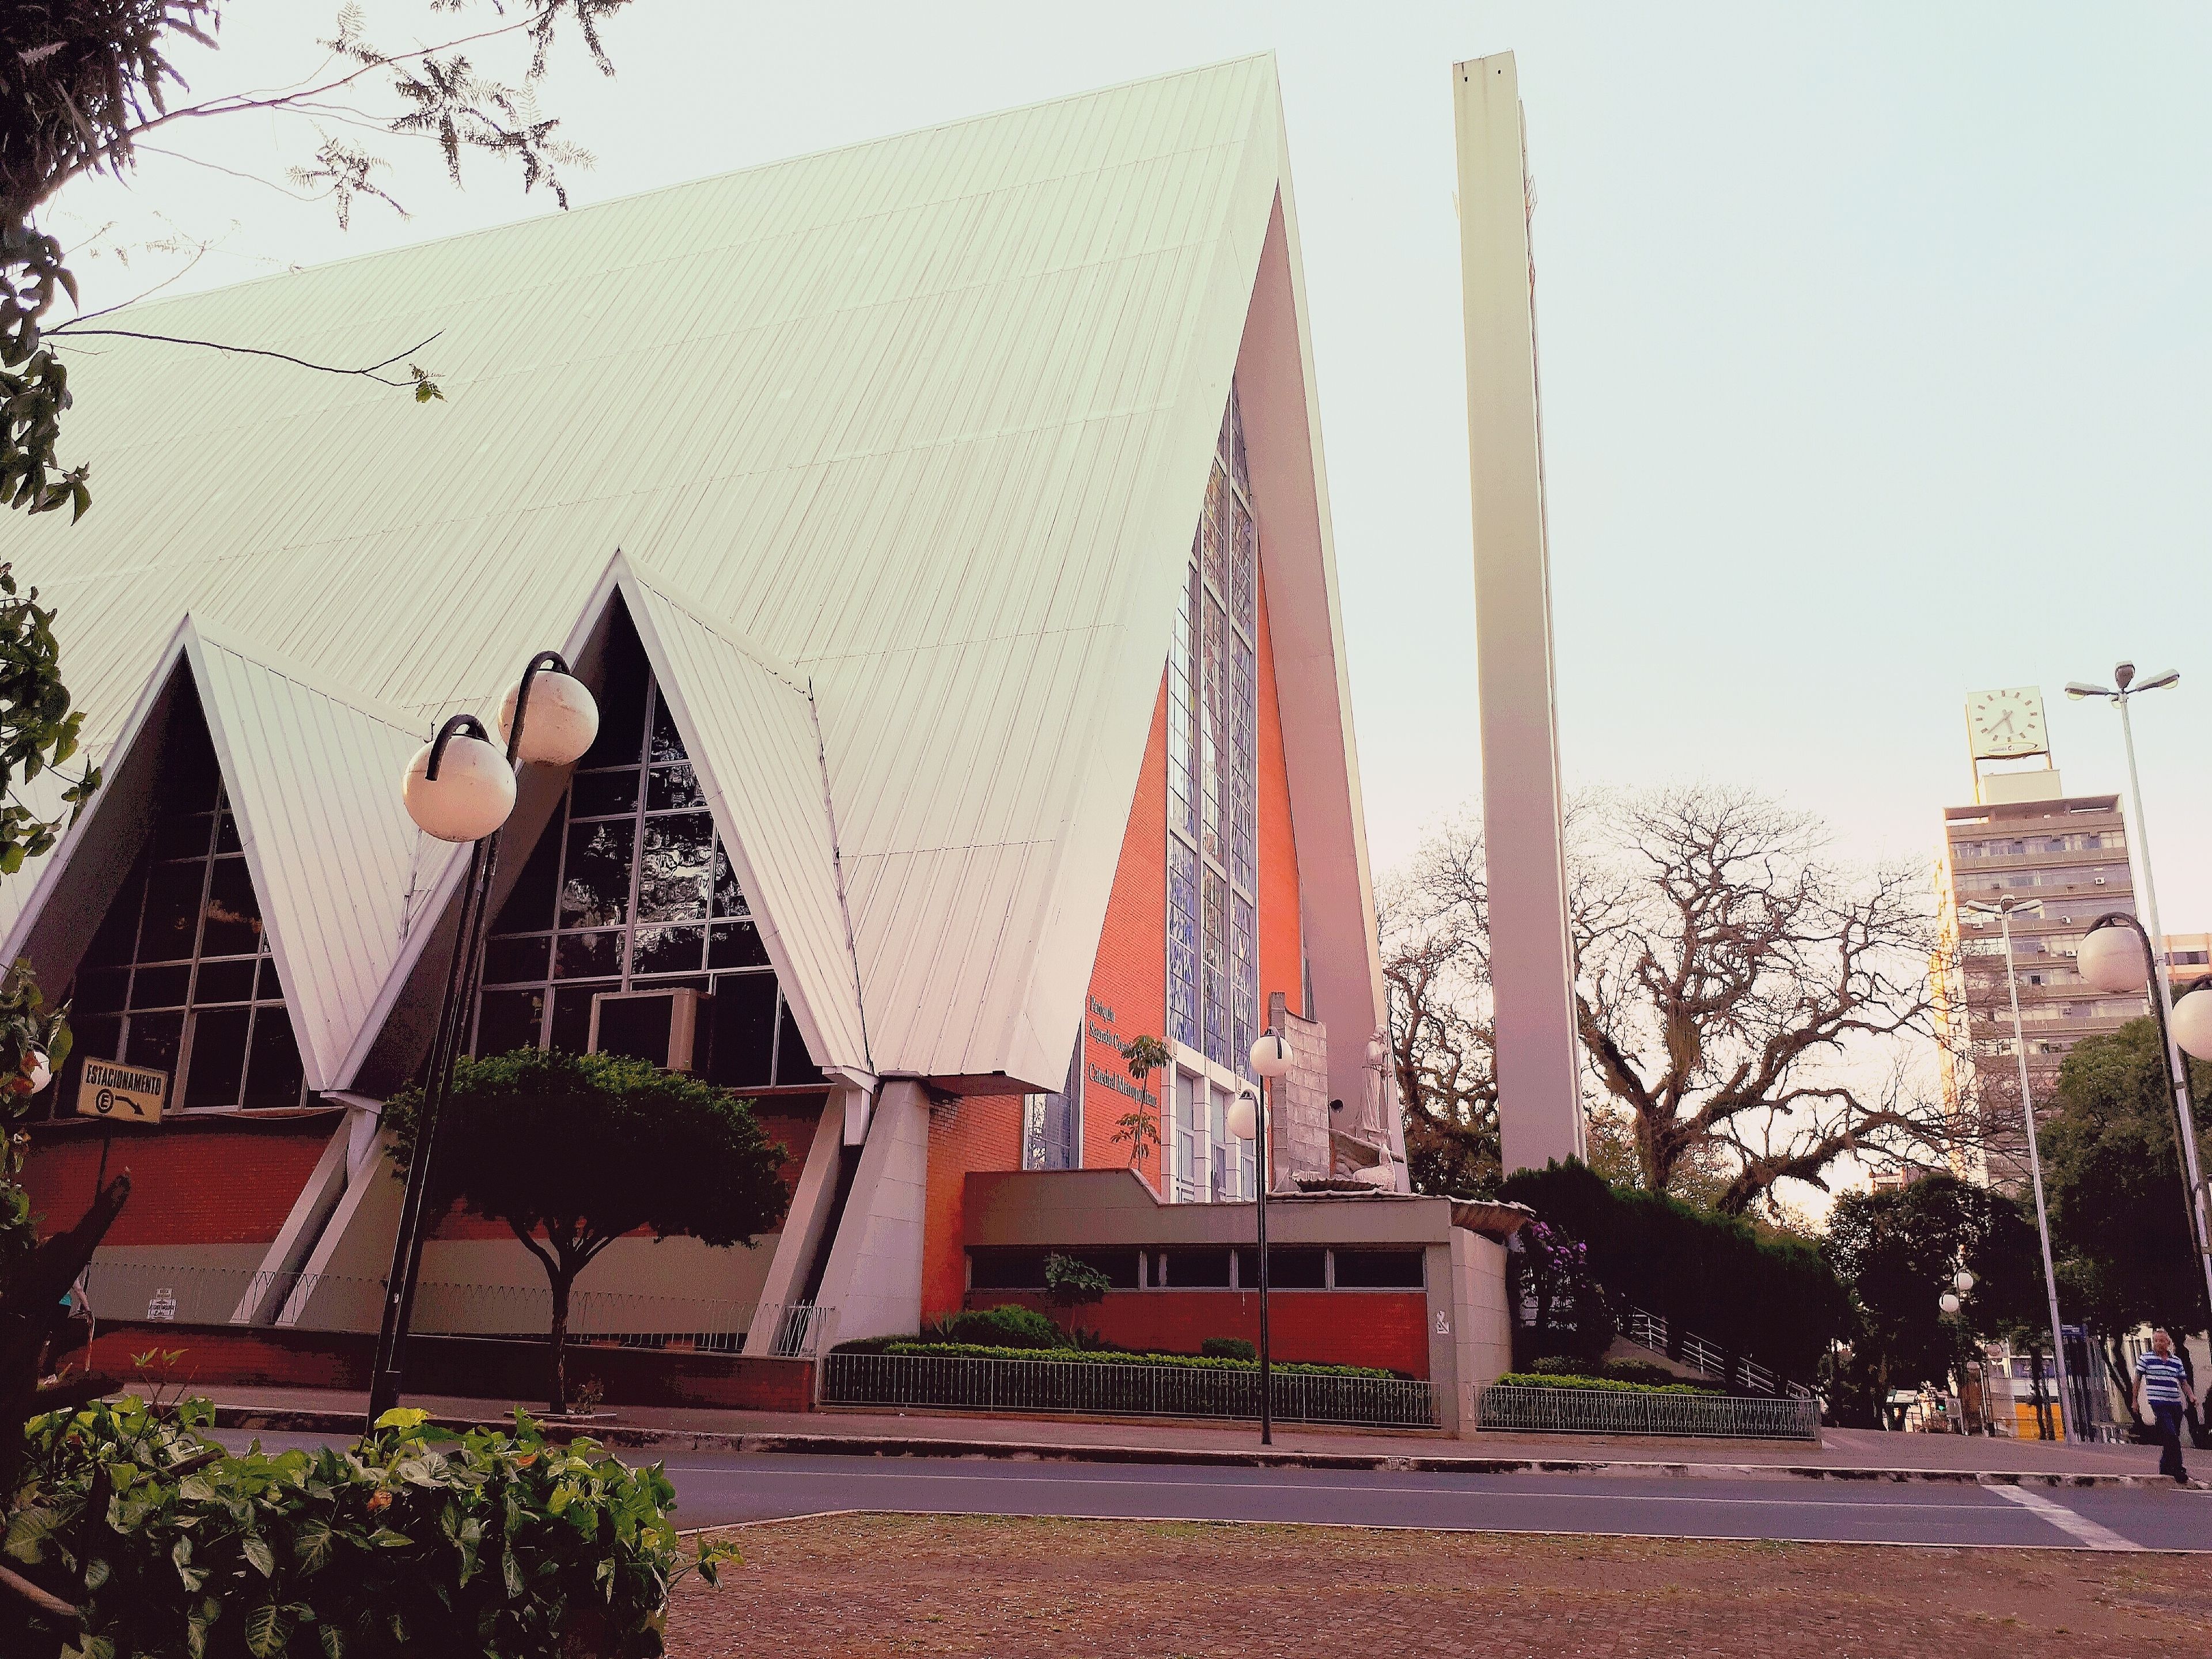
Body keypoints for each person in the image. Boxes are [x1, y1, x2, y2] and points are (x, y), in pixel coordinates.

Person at [2134, 1329, 2196, 1484]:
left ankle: (2164, 1467)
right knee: (2171, 1435)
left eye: (2162, 1341)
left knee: (2173, 1436)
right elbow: (2137, 1380)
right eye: (2156, 1341)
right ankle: (2178, 1469)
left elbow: (2183, 1382)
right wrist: (2134, 1401)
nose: (2159, 1344)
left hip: (2175, 1403)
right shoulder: (2146, 1359)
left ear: (2168, 1343)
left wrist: (2190, 1396)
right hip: (2158, 1402)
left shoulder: (2176, 1361)